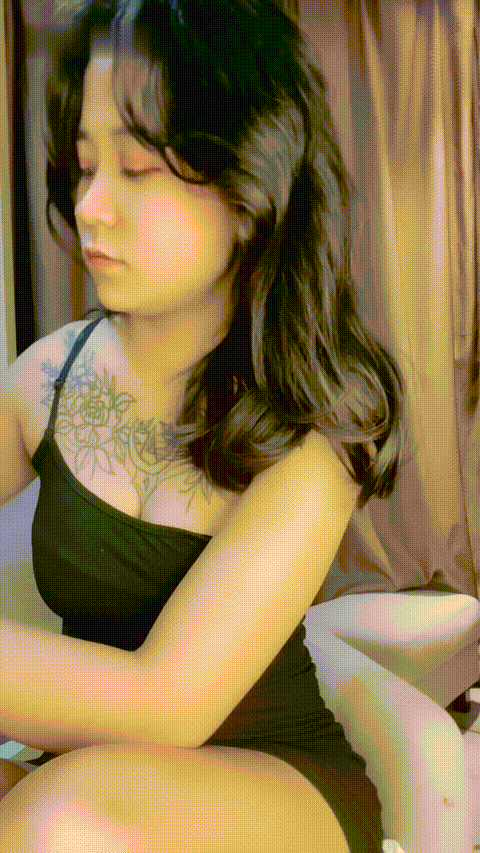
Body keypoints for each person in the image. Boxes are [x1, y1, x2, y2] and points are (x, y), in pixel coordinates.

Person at [0, 1, 406, 850]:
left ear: (251, 181)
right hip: (98, 770)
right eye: (84, 166)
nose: (91, 208)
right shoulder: (45, 378)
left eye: (137, 168)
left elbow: (166, 704)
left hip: (273, 780)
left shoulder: (316, 429)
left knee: (57, 817)